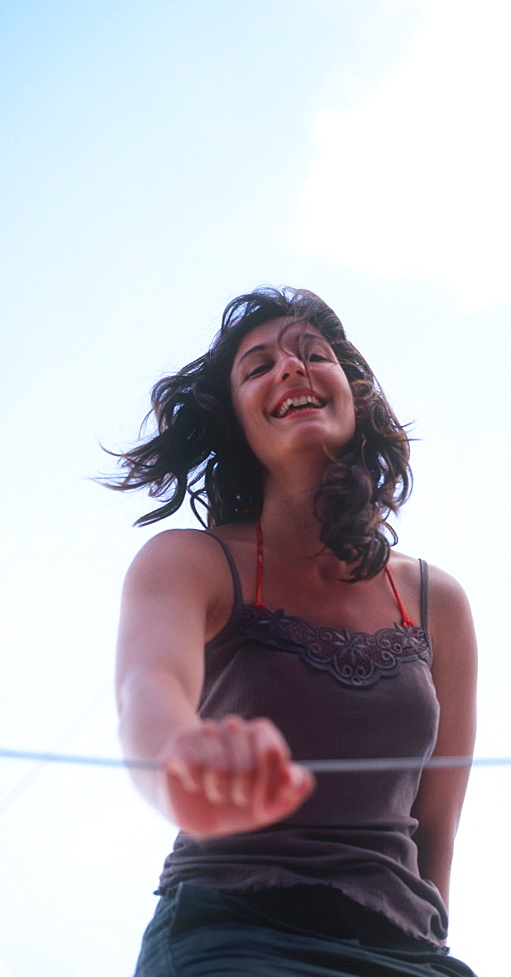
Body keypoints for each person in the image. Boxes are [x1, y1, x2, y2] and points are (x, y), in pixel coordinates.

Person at [108, 287, 479, 976]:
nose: (291, 368)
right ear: (237, 423)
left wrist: (431, 953)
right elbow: (146, 692)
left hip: (409, 954)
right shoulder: (192, 562)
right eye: (258, 367)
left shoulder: (438, 603)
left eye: (314, 355)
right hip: (236, 932)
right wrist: (182, 765)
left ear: (353, 393)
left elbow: (436, 833)